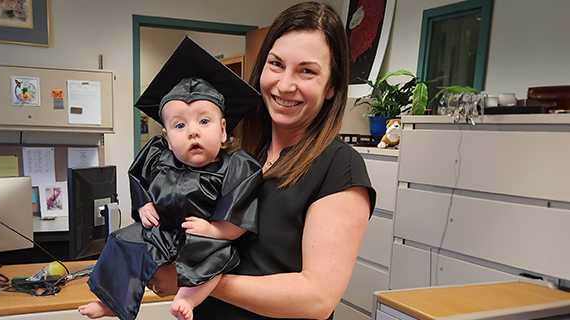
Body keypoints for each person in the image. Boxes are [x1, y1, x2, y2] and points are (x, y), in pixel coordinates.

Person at [147, 2, 377, 320]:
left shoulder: (338, 167)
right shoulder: (242, 156)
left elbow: (317, 298)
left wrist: (194, 280)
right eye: (276, 64)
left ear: (331, 87)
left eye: (307, 71)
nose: (284, 85)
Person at [78, 37, 263, 320]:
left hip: (202, 237)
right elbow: (137, 178)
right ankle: (111, 301)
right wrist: (143, 205)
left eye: (204, 121)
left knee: (218, 258)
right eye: (180, 125)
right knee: (122, 239)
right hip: (162, 233)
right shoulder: (157, 157)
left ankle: (188, 298)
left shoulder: (236, 167)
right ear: (166, 137)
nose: (193, 131)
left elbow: (240, 220)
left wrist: (214, 231)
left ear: (223, 130)